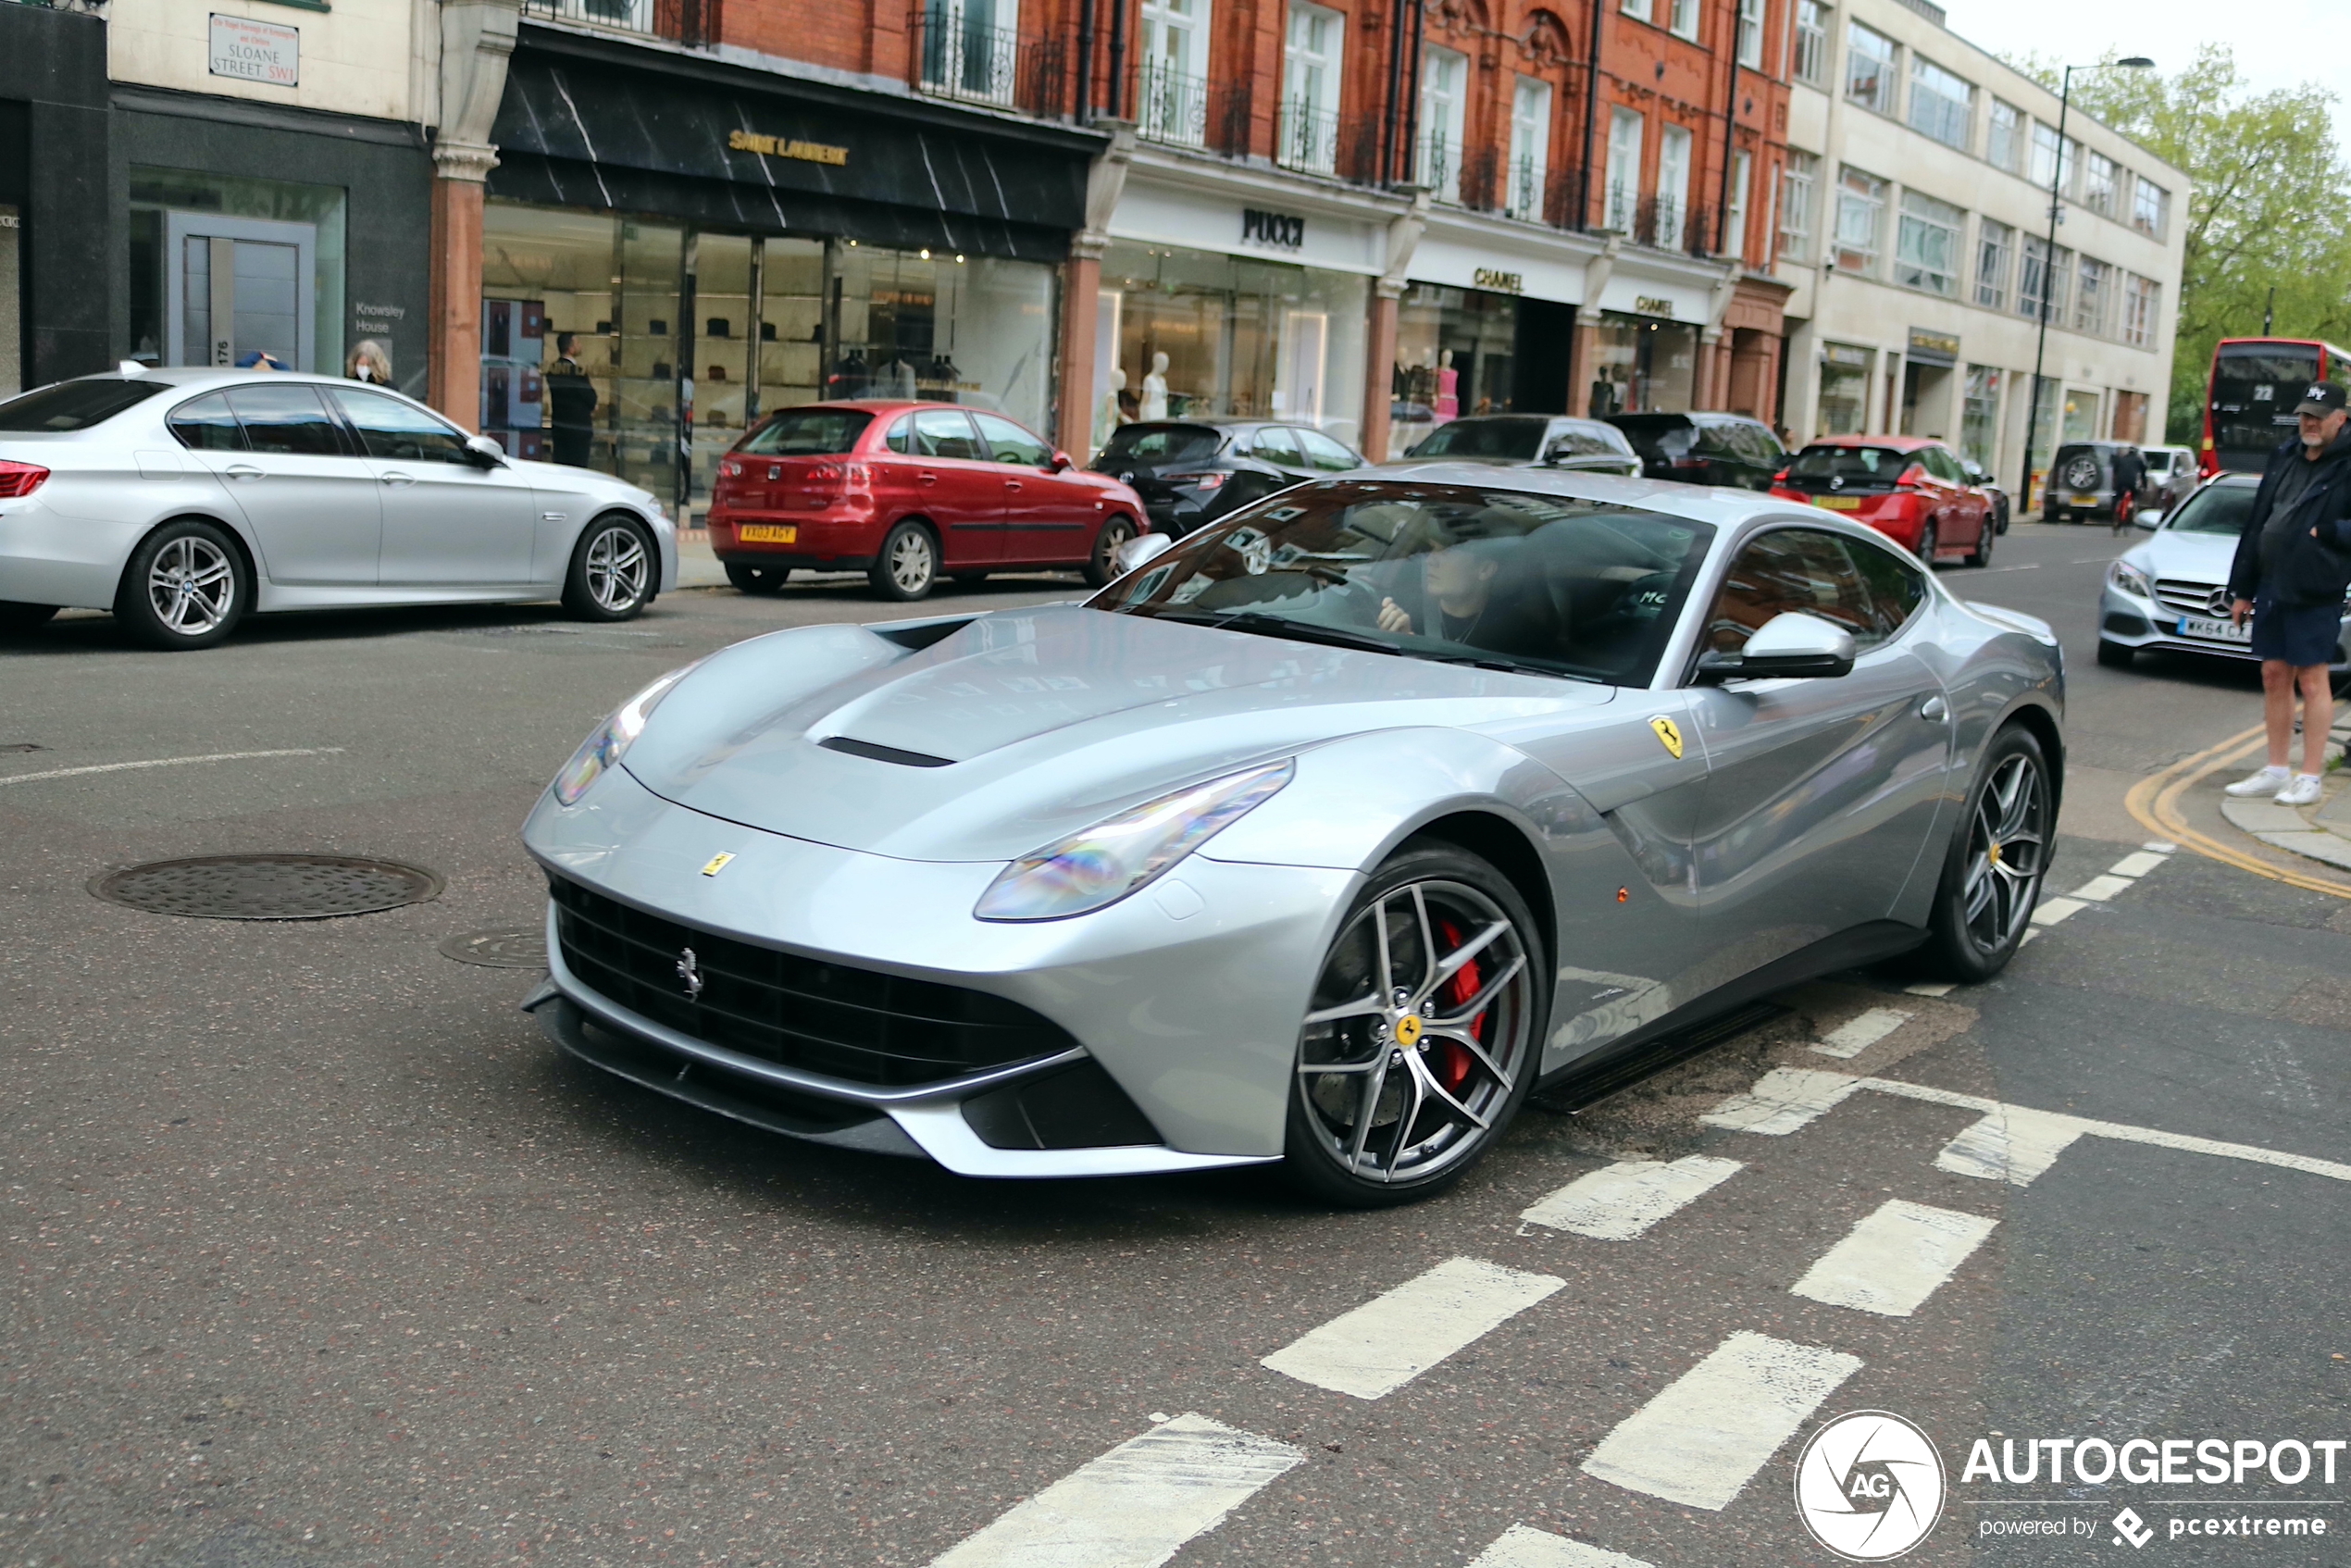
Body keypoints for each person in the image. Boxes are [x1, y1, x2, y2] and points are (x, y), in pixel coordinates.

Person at [2224, 381, 2351, 805]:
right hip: (2271, 580)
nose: (2309, 423)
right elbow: (2258, 520)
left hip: (2317, 583)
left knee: (2313, 680)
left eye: (2318, 416)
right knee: (2274, 675)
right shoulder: (2284, 456)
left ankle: (2310, 777)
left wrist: (2329, 532)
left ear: (2340, 418)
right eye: (2304, 415)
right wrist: (2241, 589)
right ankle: (2277, 769)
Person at [1375, 530, 1561, 658]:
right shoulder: (1402, 613)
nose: (1431, 561)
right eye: (1431, 550)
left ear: (1485, 570)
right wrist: (1398, 642)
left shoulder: (1519, 635)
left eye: (1446, 552)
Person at [544, 331, 599, 467]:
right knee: (578, 469)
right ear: (571, 348)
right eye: (578, 343)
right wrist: (592, 407)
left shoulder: (552, 370)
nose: (581, 346)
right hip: (578, 429)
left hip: (560, 427)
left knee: (561, 468)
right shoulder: (577, 372)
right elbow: (590, 397)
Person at [2108, 444, 2146, 535]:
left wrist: (2114, 484)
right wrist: (2144, 485)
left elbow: (2115, 472)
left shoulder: (2122, 459)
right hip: (2131, 483)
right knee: (2135, 496)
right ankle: (2131, 511)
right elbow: (2143, 473)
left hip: (2120, 483)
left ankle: (2114, 514)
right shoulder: (2138, 460)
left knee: (2117, 497)